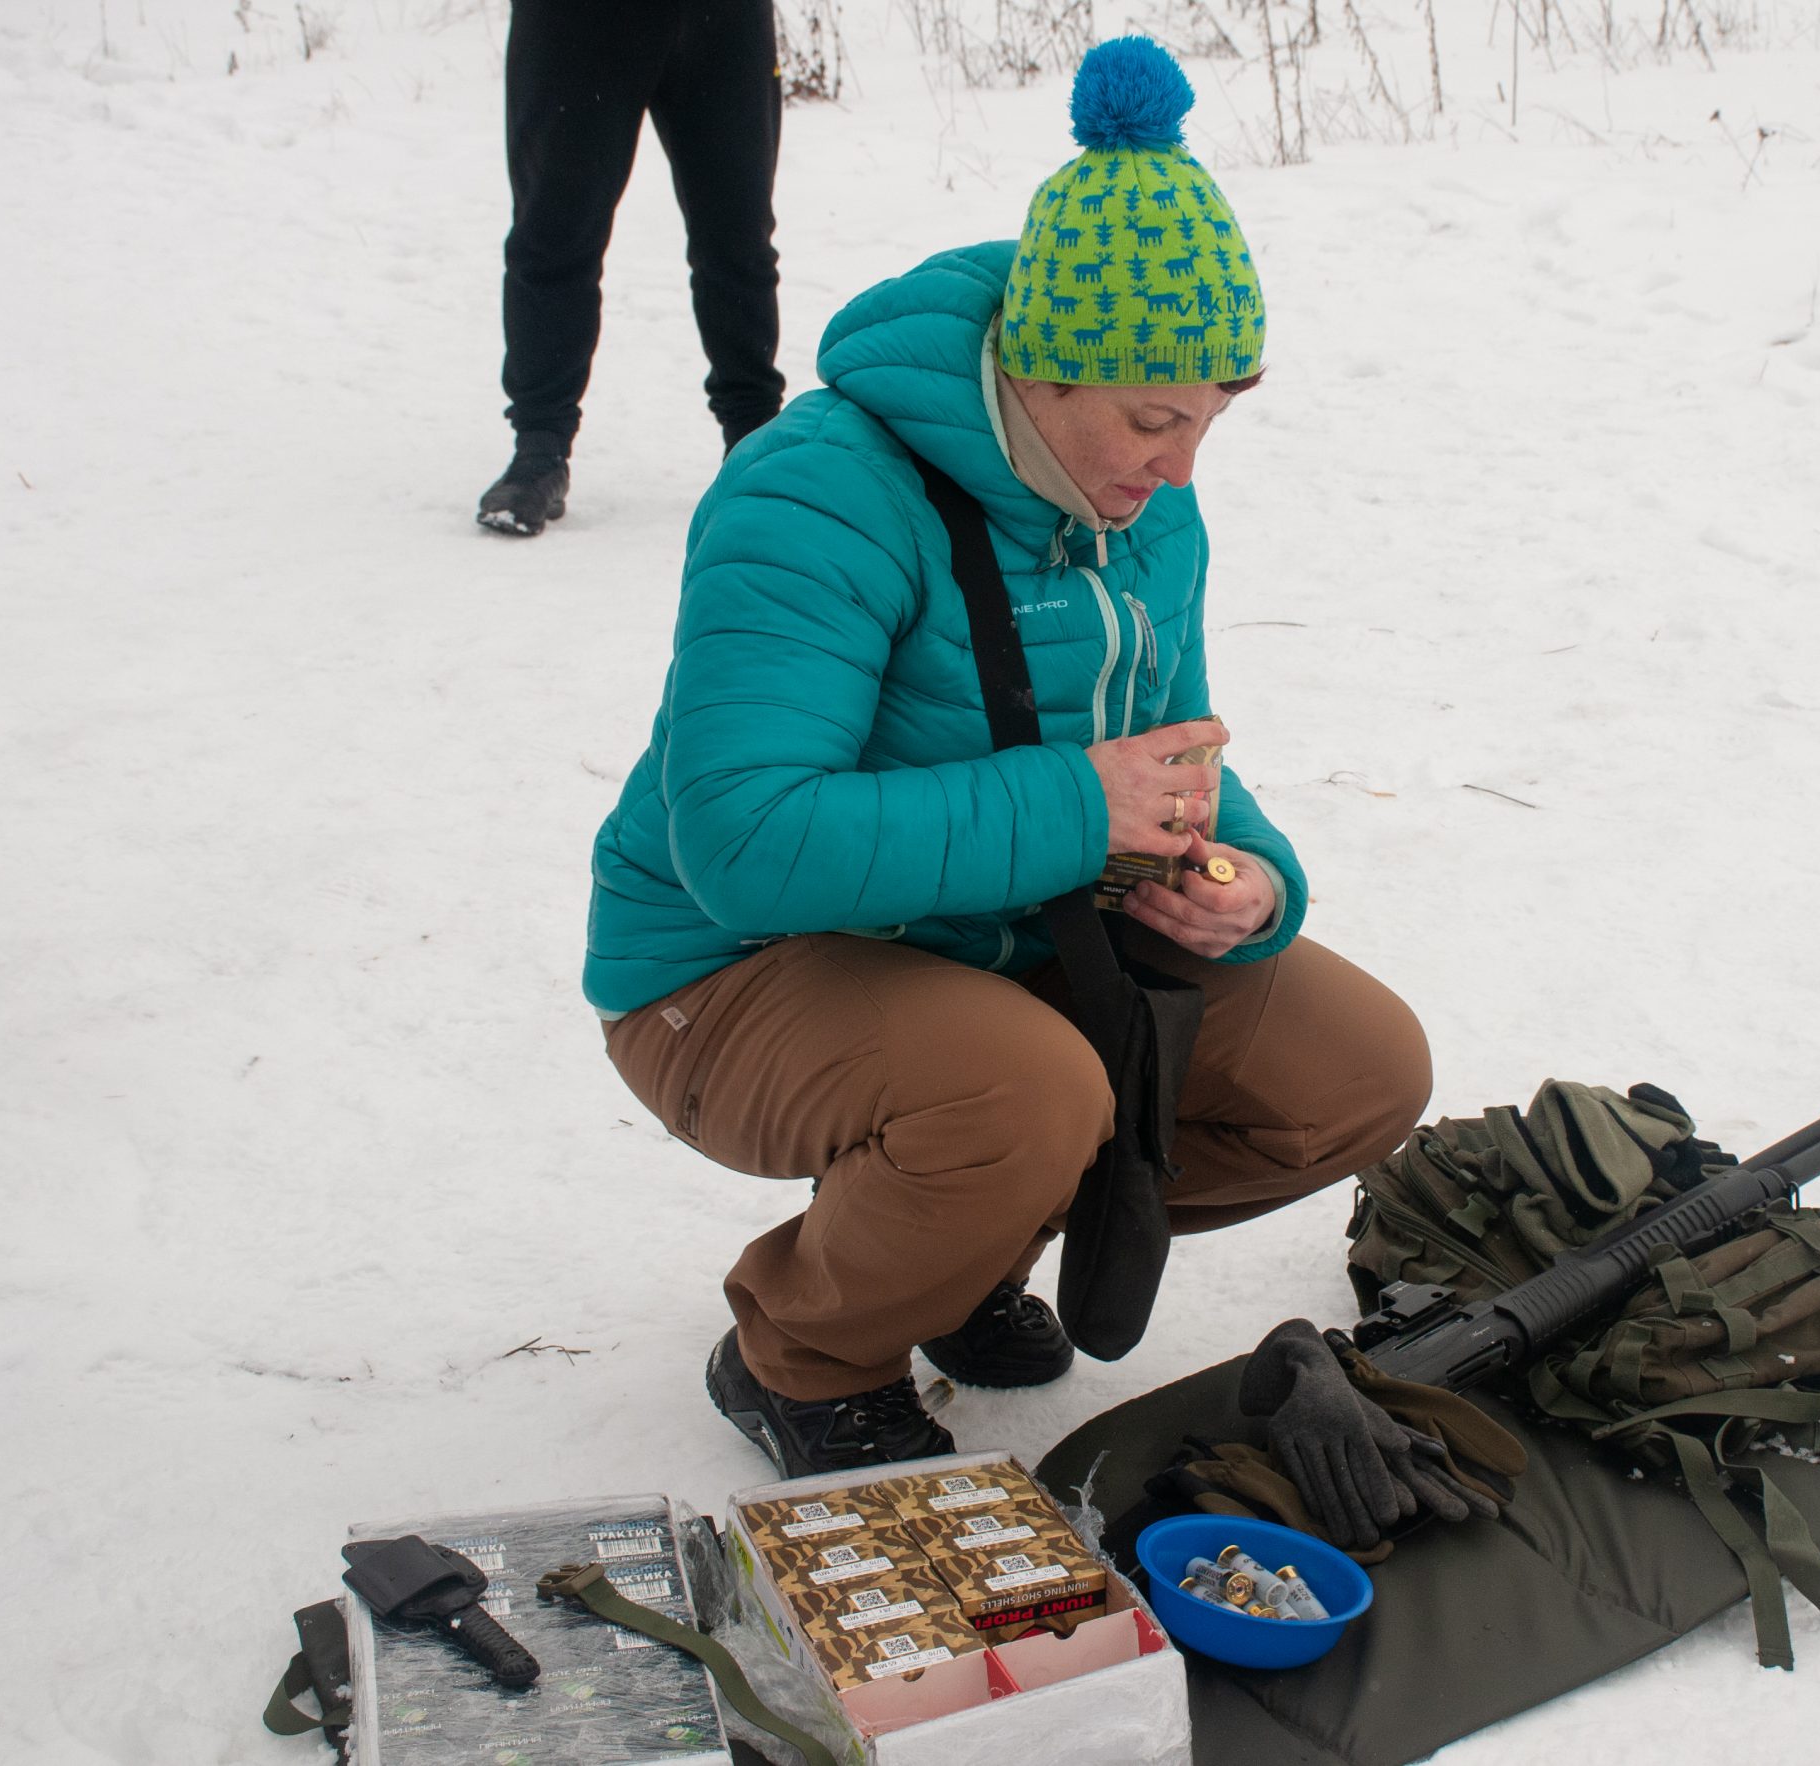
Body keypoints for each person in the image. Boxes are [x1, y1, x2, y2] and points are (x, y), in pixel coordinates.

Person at [584, 38, 1432, 1476]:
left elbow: (1182, 747)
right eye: (1156, 421)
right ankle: (802, 1351)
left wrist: (1247, 879)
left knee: (1359, 1071)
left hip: (998, 936)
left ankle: (962, 1243)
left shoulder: (1142, 506)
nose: (1179, 472)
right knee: (1026, 1091)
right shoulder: (820, 492)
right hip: (725, 969)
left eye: (1209, 426)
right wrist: (1072, 807)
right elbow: (737, 836)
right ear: (1045, 371)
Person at [478, 0, 789, 536]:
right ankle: (539, 451)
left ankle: (754, 439)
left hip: (723, 19)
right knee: (554, 234)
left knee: (738, 238)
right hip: (575, 23)